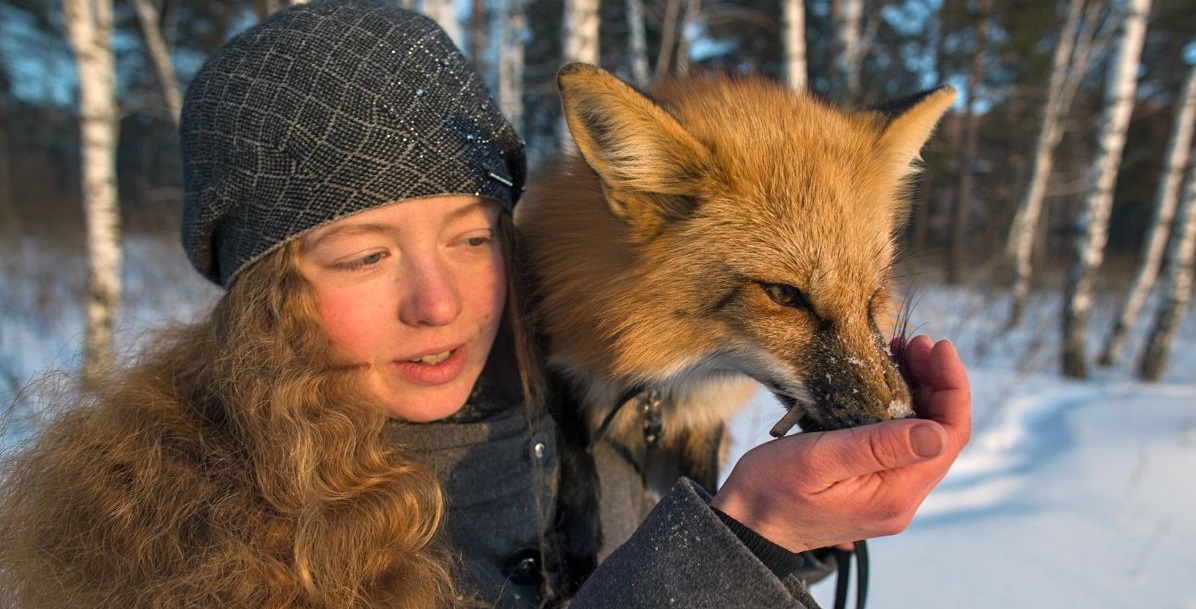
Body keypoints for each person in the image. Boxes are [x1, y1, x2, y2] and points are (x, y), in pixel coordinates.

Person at [0, 2, 972, 608]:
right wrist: (748, 541)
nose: (437, 304)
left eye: (473, 238)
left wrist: (790, 535)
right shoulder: (168, 536)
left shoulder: (570, 404)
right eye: (363, 254)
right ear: (264, 292)